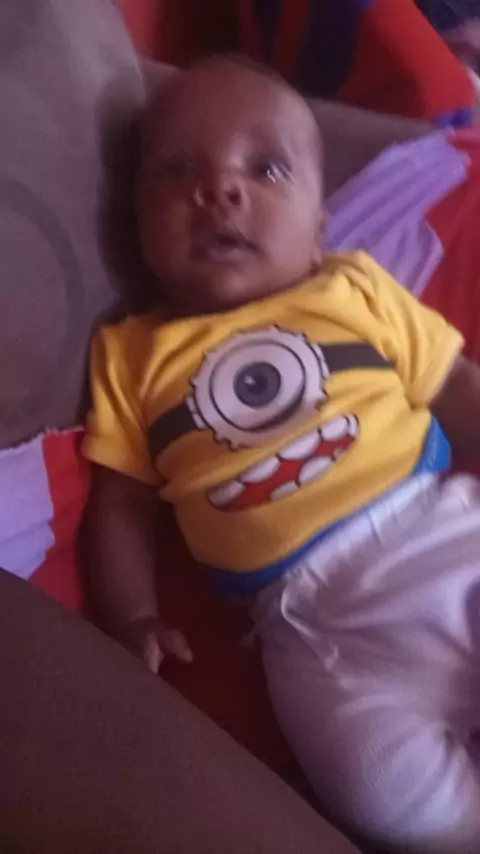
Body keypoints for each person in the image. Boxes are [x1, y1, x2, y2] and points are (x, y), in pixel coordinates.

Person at [83, 55, 480, 853]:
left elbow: (452, 381)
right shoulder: (130, 355)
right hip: (314, 631)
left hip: (439, 538)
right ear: (134, 216)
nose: (220, 190)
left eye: (264, 168)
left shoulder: (352, 288)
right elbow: (119, 506)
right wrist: (132, 617)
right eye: (177, 171)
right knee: (375, 788)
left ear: (320, 223)